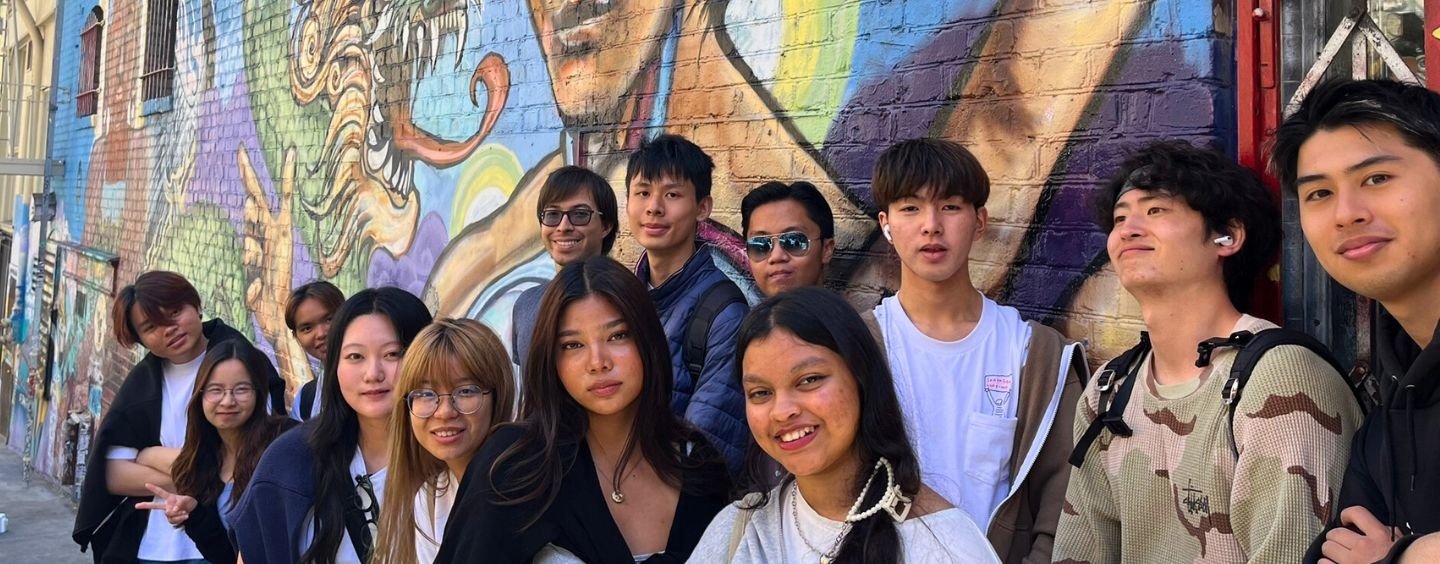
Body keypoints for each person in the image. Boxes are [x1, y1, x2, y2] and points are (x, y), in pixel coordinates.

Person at [1053, 140, 1364, 562]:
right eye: (1120, 218)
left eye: (1156, 211)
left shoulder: (1280, 378)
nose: (1128, 229)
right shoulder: (1109, 390)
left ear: (1227, 237)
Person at [861, 139, 1086, 563]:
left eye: (950, 206)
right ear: (886, 224)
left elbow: (1065, 499)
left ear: (979, 221)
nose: (931, 225)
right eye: (910, 208)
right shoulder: (859, 347)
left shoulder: (1033, 354)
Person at [436, 256, 731, 563]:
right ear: (550, 358)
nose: (598, 362)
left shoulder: (699, 465)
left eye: (617, 336)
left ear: (648, 341)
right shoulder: (514, 466)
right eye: (573, 345)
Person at [692, 287, 1000, 563]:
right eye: (760, 393)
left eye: (809, 380)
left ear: (861, 379)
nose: (782, 411)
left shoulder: (944, 544)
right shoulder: (739, 531)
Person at [1269, 78, 1440, 564]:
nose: (1345, 214)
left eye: (1377, 179)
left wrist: (1402, 556)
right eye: (1319, 193)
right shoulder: (1388, 412)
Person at [72, 270, 285, 562]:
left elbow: (254, 455)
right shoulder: (142, 384)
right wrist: (198, 484)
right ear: (142, 340)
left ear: (196, 306)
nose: (168, 329)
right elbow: (112, 474)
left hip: (225, 540)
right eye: (150, 327)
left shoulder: (241, 361)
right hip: (153, 544)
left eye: (174, 312)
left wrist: (148, 456)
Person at [229, 287, 433, 563]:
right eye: (355, 357)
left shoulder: (452, 460)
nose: (373, 374)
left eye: (393, 354)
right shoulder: (292, 459)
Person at [627, 134, 750, 474]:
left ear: (702, 208)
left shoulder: (724, 313)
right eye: (643, 192)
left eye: (672, 194)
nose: (654, 206)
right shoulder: (622, 301)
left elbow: (707, 446)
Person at [135, 340, 299, 564]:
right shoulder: (200, 460)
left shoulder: (286, 441)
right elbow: (225, 557)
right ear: (200, 395)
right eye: (215, 390)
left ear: (259, 393)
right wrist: (194, 515)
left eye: (241, 389)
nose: (228, 401)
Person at [374, 318, 517, 564]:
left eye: (466, 391)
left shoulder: (526, 490)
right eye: (426, 394)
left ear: (498, 396)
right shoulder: (430, 498)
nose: (444, 412)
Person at [512, 166, 619, 372]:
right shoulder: (526, 304)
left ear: (605, 226)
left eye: (579, 214)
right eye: (552, 214)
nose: (563, 226)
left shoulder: (624, 301)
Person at [740, 181, 836, 297]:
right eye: (760, 245)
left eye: (794, 241)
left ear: (826, 249)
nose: (776, 256)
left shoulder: (841, 315)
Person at [287, 280, 346, 420]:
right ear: (296, 337)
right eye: (307, 328)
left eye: (329, 320)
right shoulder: (305, 400)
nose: (321, 334)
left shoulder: (375, 386)